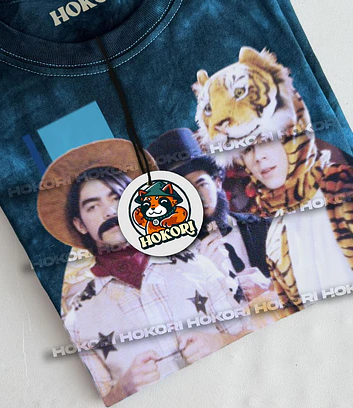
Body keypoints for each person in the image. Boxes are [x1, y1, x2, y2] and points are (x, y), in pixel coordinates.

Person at [37, 139, 252, 405]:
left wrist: (219, 342)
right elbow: (95, 399)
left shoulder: (197, 265)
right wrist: (123, 390)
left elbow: (252, 336)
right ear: (80, 225)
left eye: (117, 198)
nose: (109, 211)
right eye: (93, 206)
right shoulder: (79, 320)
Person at [147, 128, 274, 304]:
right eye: (183, 191)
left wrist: (271, 289)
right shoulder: (173, 266)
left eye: (201, 184)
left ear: (217, 182)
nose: (196, 197)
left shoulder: (266, 228)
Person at [239, 125, 353, 314]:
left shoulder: (343, 188)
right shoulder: (275, 237)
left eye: (266, 140)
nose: (258, 156)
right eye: (247, 149)